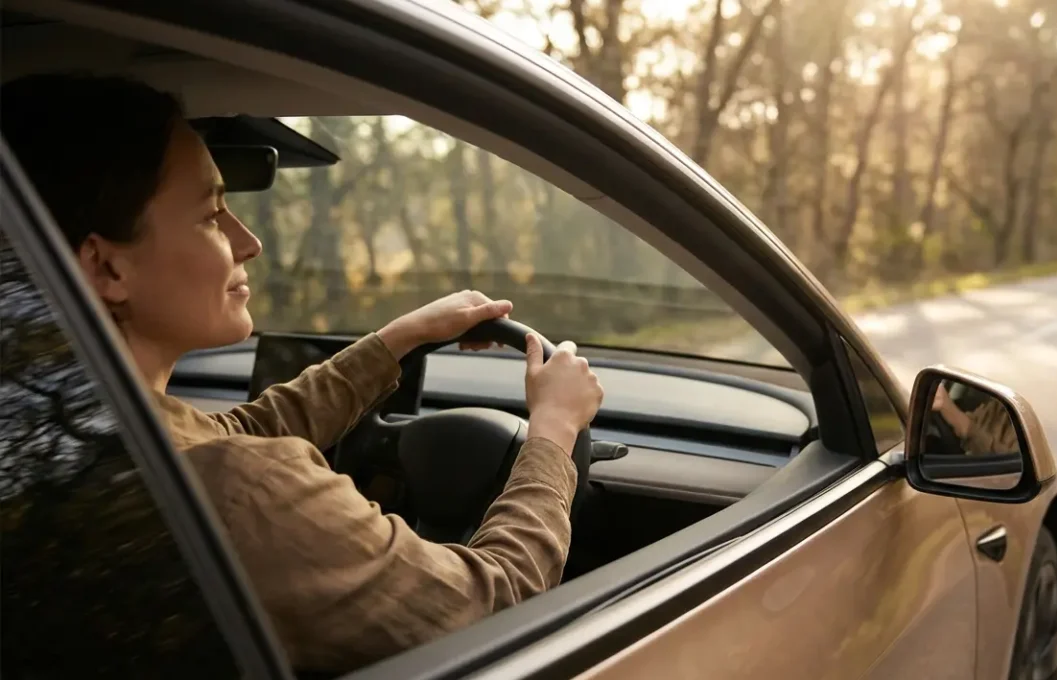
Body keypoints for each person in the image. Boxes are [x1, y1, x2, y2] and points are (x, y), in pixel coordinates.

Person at [1, 73, 604, 672]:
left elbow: (228, 434)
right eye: (211, 215)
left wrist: (398, 340)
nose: (249, 241)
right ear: (106, 268)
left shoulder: (55, 428)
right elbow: (493, 605)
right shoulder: (249, 496)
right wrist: (553, 432)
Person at [931, 382, 1018, 456]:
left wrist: (966, 428)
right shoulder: (996, 406)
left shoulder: (1022, 422)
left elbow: (1011, 462)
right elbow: (970, 420)